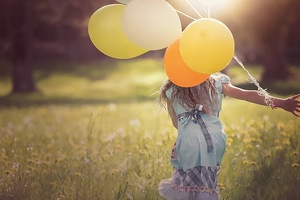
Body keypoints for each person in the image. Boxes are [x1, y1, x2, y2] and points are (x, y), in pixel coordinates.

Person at [157, 73, 300, 200]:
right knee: (207, 184)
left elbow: (177, 123)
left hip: (190, 140)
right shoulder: (215, 80)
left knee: (187, 186)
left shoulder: (172, 89)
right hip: (215, 139)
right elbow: (246, 94)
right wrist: (281, 103)